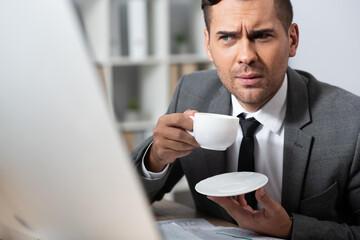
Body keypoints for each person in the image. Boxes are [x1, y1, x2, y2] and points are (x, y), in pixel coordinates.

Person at [132, 0, 360, 238]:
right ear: (208, 45)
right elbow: (123, 198)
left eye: (261, 35)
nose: (246, 56)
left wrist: (290, 228)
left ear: (292, 40)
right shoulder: (191, 92)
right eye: (227, 38)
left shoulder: (351, 122)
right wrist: (155, 159)